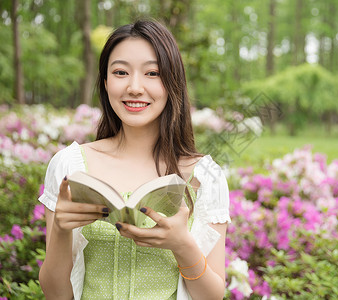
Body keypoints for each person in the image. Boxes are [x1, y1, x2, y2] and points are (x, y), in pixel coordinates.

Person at [38, 19, 230, 300]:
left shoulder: (204, 176)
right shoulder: (70, 165)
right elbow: (56, 294)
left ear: (172, 82)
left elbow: (212, 296)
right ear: (105, 82)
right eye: (120, 72)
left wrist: (183, 246)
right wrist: (61, 231)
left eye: (152, 73)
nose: (135, 87)